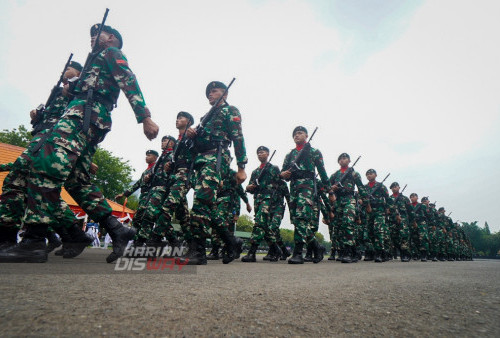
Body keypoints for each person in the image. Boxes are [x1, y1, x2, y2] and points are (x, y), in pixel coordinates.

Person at [0, 23, 159, 264]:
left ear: (112, 38)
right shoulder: (92, 65)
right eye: (91, 35)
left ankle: (33, 241)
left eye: (99, 34)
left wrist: (144, 118)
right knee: (77, 181)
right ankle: (118, 230)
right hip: (85, 118)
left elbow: (128, 80)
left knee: (45, 169)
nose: (93, 38)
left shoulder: (111, 53)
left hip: (84, 117)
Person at [0, 61, 93, 259]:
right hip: (42, 137)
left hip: (53, 139)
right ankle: (73, 235)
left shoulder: (78, 90)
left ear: (78, 72)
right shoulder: (58, 92)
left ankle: (13, 239)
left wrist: (84, 155)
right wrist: (37, 116)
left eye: (68, 69)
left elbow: (81, 122)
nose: (64, 72)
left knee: (20, 180)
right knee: (38, 188)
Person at [181, 80, 248, 265]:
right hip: (202, 160)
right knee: (205, 206)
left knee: (201, 203)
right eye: (208, 92)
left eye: (214, 90)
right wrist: (193, 135)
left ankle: (198, 252)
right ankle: (232, 242)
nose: (210, 93)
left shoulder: (230, 110)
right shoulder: (206, 117)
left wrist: (242, 166)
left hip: (216, 158)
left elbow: (238, 137)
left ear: (225, 94)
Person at [280, 126, 330, 264]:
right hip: (294, 188)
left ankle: (298, 253)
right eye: (295, 133)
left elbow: (322, 172)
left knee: (302, 217)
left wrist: (330, 191)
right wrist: (283, 174)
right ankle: (316, 246)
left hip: (307, 187)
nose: (297, 135)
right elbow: (283, 173)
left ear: (306, 136)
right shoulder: (290, 155)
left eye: (300, 133)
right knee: (296, 220)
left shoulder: (314, 152)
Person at [151, 112, 196, 255]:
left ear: (188, 121)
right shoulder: (177, 142)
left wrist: (195, 137)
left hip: (185, 175)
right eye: (177, 117)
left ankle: (154, 240)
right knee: (183, 217)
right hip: (175, 176)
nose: (177, 120)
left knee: (168, 205)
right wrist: (170, 165)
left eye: (181, 118)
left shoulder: (193, 137)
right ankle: (193, 246)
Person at [242, 146, 282, 262]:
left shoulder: (273, 168)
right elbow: (250, 187)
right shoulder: (255, 172)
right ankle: (276, 248)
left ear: (268, 154)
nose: (260, 154)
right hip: (258, 200)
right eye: (258, 152)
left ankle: (252, 252)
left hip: (269, 200)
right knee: (264, 226)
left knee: (259, 222)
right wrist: (249, 187)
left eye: (262, 152)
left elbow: (280, 184)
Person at [115, 149, 158, 247]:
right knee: (137, 220)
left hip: (153, 197)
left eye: (149, 155)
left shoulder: (157, 167)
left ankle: (145, 243)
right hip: (143, 198)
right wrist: (124, 194)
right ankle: (137, 242)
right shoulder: (146, 171)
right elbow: (138, 184)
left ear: (155, 157)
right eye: (146, 155)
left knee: (148, 218)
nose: (146, 157)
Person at [328, 153, 366, 263]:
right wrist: (332, 188)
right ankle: (350, 251)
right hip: (338, 201)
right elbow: (327, 187)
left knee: (348, 223)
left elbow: (361, 188)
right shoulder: (335, 175)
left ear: (349, 160)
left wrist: (365, 202)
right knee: (339, 227)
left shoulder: (354, 173)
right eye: (340, 159)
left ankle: (349, 252)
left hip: (350, 199)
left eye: (345, 158)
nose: (342, 160)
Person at [362, 169, 392, 263]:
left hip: (379, 211)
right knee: (370, 232)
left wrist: (388, 208)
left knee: (378, 230)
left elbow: (388, 199)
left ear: (375, 175)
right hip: (369, 211)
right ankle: (373, 251)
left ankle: (380, 252)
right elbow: (361, 198)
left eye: (371, 174)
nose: (369, 175)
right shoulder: (364, 187)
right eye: (367, 174)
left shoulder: (381, 186)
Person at [387, 182, 414, 262]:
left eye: (396, 187)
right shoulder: (389, 199)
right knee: (393, 236)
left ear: (399, 187)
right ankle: (401, 251)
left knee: (404, 236)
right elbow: (386, 208)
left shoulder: (405, 198)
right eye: (393, 187)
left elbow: (410, 211)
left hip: (403, 219)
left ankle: (405, 253)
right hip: (392, 219)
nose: (394, 188)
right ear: (391, 189)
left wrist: (412, 221)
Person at [408, 194, 430, 261]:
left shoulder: (422, 205)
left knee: (423, 238)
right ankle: (416, 254)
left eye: (413, 197)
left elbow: (427, 214)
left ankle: (424, 255)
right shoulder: (409, 206)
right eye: (411, 197)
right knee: (414, 239)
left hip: (421, 223)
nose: (412, 198)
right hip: (412, 224)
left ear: (417, 197)